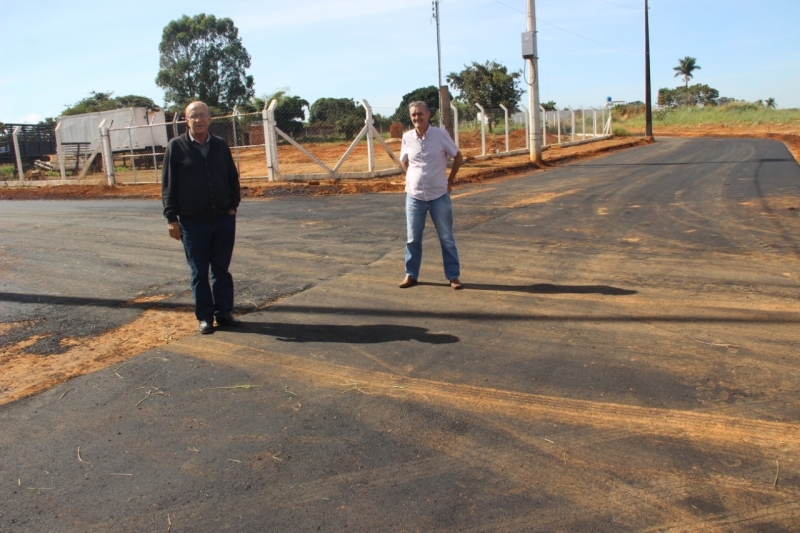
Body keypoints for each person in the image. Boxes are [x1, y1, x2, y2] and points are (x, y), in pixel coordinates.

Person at [162, 101, 242, 334]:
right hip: (192, 222)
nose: (198, 120)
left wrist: (232, 206)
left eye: (202, 115)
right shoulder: (175, 147)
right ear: (186, 120)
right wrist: (171, 218)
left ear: (210, 119)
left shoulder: (219, 145)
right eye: (193, 116)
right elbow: (168, 186)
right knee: (199, 272)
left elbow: (231, 178)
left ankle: (224, 313)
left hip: (223, 219)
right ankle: (205, 317)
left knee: (221, 269)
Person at [399, 101, 464, 290]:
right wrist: (412, 177)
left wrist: (450, 181)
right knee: (412, 238)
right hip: (414, 197)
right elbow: (404, 161)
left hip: (439, 196)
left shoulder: (441, 135)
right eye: (413, 115)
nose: (416, 118)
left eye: (420, 114)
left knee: (446, 237)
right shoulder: (406, 137)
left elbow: (458, 157)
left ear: (428, 114)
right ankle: (411, 275)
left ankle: (453, 276)